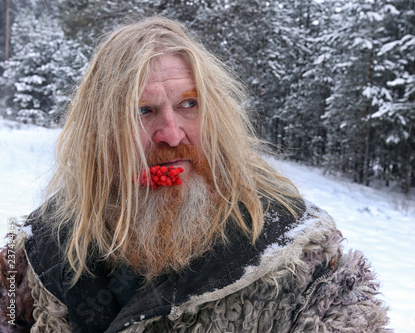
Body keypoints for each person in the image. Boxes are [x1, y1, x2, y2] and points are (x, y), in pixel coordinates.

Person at [0, 17, 391, 333]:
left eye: (189, 104)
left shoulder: (305, 265)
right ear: (99, 133)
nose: (171, 133)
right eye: (143, 111)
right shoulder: (34, 254)